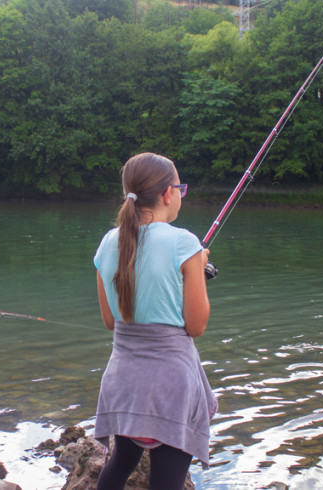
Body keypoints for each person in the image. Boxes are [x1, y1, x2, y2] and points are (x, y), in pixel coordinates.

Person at [93, 153, 216, 489]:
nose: (180, 194)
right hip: (170, 387)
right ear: (167, 193)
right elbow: (196, 326)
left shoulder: (107, 242)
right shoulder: (184, 243)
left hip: (123, 382)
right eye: (180, 188)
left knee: (121, 463)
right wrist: (197, 270)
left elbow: (110, 320)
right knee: (168, 480)